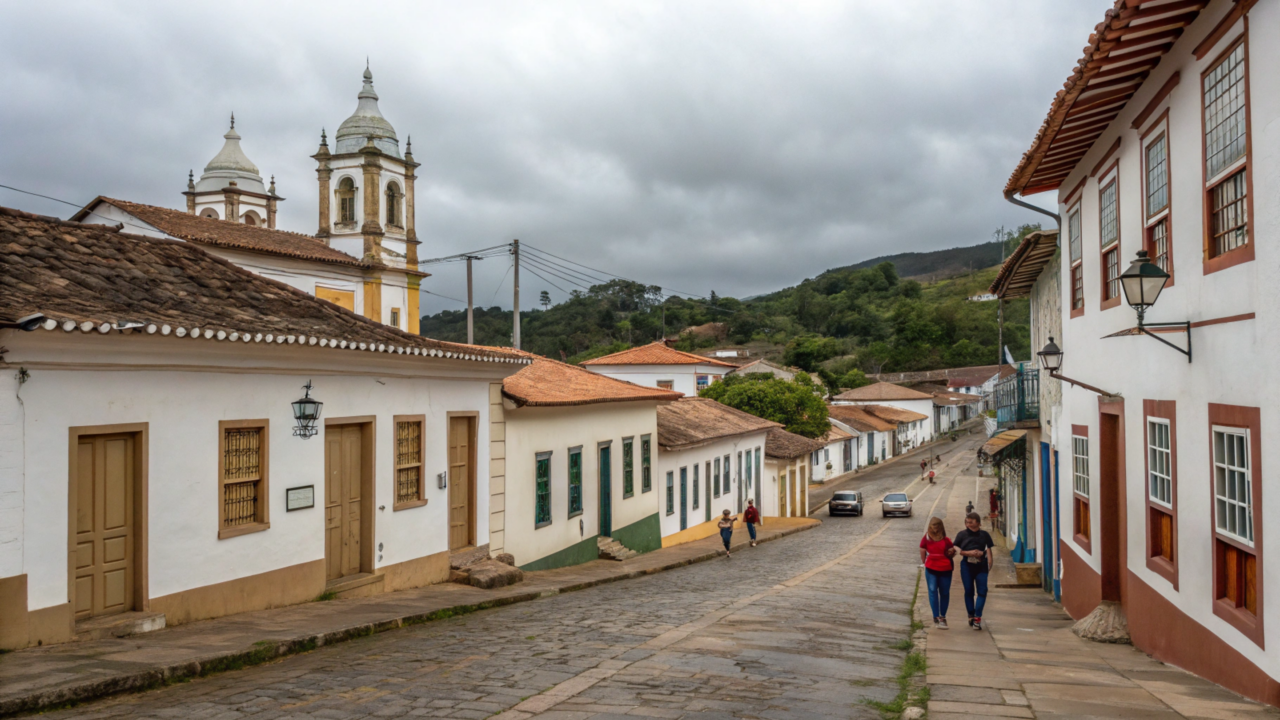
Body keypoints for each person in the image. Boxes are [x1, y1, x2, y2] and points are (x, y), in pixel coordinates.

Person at [954, 512, 996, 630]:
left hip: (981, 566)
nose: (968, 524)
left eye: (971, 522)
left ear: (978, 522)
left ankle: (978, 617)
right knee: (969, 591)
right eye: (967, 522)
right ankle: (971, 614)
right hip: (967, 566)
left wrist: (989, 564)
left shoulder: (984, 535)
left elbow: (989, 550)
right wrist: (966, 553)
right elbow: (955, 546)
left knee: (982, 591)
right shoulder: (962, 535)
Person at [919, 517, 955, 629]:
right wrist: (925, 561)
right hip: (932, 568)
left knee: (943, 592)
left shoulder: (946, 540)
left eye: (936, 526)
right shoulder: (926, 538)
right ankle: (936, 616)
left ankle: (942, 616)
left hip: (945, 568)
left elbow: (952, 550)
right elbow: (922, 549)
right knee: (933, 591)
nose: (935, 529)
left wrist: (952, 551)